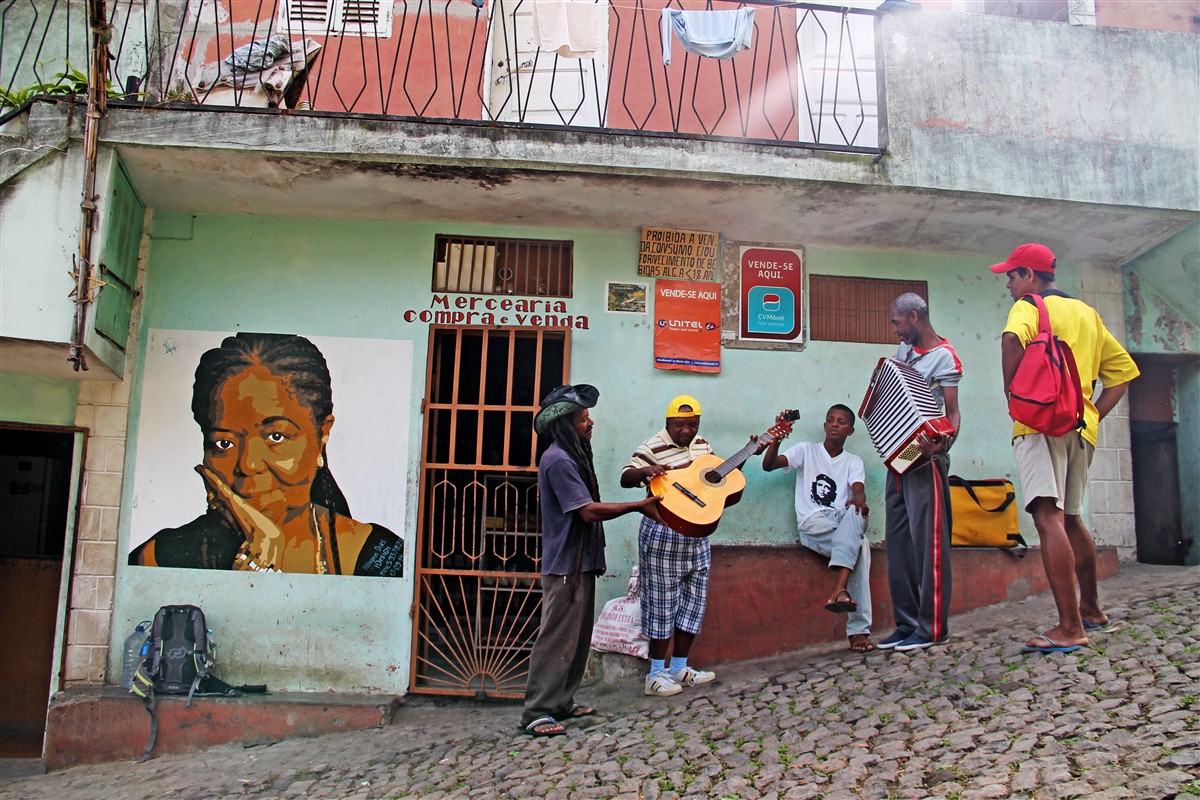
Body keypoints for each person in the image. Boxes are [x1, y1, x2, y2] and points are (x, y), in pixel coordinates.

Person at [129, 332, 403, 577]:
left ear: (321, 438)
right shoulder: (158, 559)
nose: (247, 464)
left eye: (276, 437)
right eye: (224, 443)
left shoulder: (379, 557)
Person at [989, 243, 1140, 654]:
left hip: (1039, 422)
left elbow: (1009, 342)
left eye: (1012, 274)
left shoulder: (1029, 306)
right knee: (1071, 518)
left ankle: (1070, 627)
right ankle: (1091, 609)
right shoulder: (1087, 314)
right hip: (1079, 425)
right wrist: (1092, 414)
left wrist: (1012, 395)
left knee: (1047, 516)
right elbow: (1122, 374)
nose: (1008, 283)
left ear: (1031, 277)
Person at [521, 384, 662, 737]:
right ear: (567, 425)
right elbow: (586, 512)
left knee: (577, 638)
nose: (590, 423)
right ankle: (537, 712)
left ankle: (562, 703)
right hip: (565, 566)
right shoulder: (558, 459)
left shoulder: (573, 456)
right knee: (556, 639)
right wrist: (637, 506)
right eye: (584, 418)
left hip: (580, 563)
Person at [620, 395, 720, 696]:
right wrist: (645, 472)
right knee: (662, 606)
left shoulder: (703, 446)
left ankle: (679, 667)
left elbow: (713, 479)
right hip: (662, 534)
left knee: (693, 602)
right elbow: (626, 477)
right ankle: (655, 675)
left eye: (693, 425)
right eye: (680, 425)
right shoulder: (652, 446)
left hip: (697, 536)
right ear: (668, 423)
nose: (687, 431)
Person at [880, 293, 963, 652]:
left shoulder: (945, 357)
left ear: (914, 317)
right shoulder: (904, 353)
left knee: (929, 544)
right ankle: (907, 622)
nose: (895, 329)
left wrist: (944, 445)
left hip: (927, 456)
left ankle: (933, 628)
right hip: (900, 455)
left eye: (897, 323)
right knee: (897, 543)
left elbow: (953, 413)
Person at [762, 404, 873, 653]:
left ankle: (842, 594)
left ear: (851, 431)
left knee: (857, 517)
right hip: (814, 523)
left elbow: (858, 489)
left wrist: (860, 500)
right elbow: (768, 465)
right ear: (825, 425)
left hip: (841, 520)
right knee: (860, 545)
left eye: (842, 422)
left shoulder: (853, 461)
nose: (835, 424)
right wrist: (776, 441)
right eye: (831, 420)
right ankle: (853, 620)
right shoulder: (806, 450)